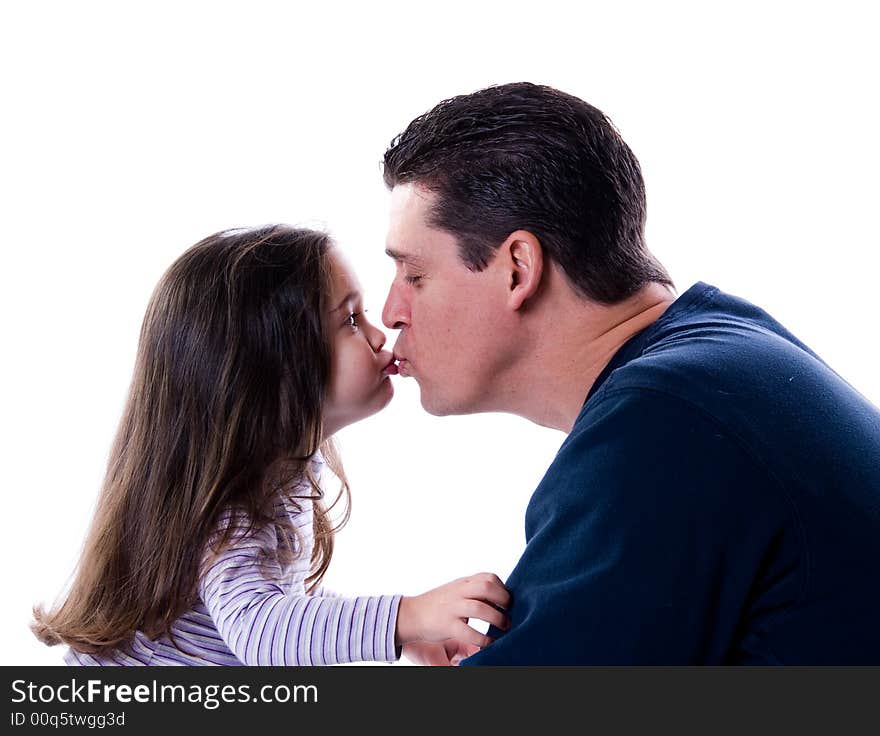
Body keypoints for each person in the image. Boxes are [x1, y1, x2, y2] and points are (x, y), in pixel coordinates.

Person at [379, 82, 880, 664]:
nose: (391, 312)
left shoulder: (662, 425)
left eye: (414, 276)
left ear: (518, 269)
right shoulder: (727, 352)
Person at [32, 225, 510, 666]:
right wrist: (406, 616)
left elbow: (282, 605)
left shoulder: (284, 474)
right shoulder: (233, 505)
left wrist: (401, 634)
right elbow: (260, 629)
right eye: (349, 318)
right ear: (273, 372)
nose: (377, 332)